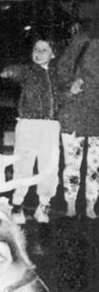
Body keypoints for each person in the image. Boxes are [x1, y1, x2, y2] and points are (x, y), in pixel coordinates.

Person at [0, 39, 61, 224]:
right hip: (28, 124)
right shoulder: (29, 71)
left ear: (53, 54)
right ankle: (17, 205)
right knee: (23, 164)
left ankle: (43, 205)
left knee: (49, 166)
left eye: (44, 50)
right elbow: (19, 72)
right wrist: (10, 71)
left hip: (50, 125)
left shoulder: (57, 75)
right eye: (36, 49)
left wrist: (73, 91)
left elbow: (64, 94)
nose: (39, 52)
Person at [55, 20, 99, 218]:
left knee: (95, 166)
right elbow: (61, 73)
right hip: (75, 111)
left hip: (94, 113)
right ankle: (71, 204)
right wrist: (70, 89)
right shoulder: (82, 41)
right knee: (72, 163)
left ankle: (91, 204)